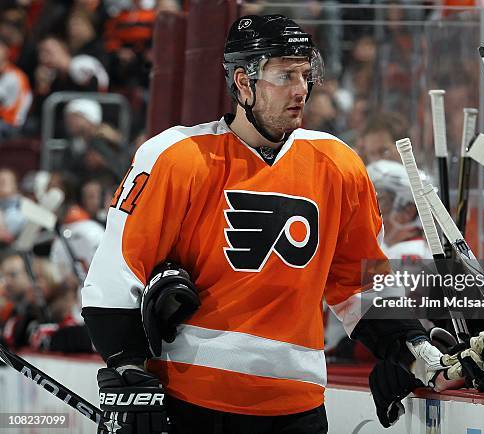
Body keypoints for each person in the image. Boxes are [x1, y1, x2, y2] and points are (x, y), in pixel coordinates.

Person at [81, 14, 455, 434]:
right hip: (193, 401)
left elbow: (361, 284)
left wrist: (412, 348)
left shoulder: (339, 164)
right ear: (243, 83)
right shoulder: (176, 156)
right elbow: (116, 274)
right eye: (284, 75)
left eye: (305, 74)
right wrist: (127, 370)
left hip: (298, 407)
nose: (301, 90)